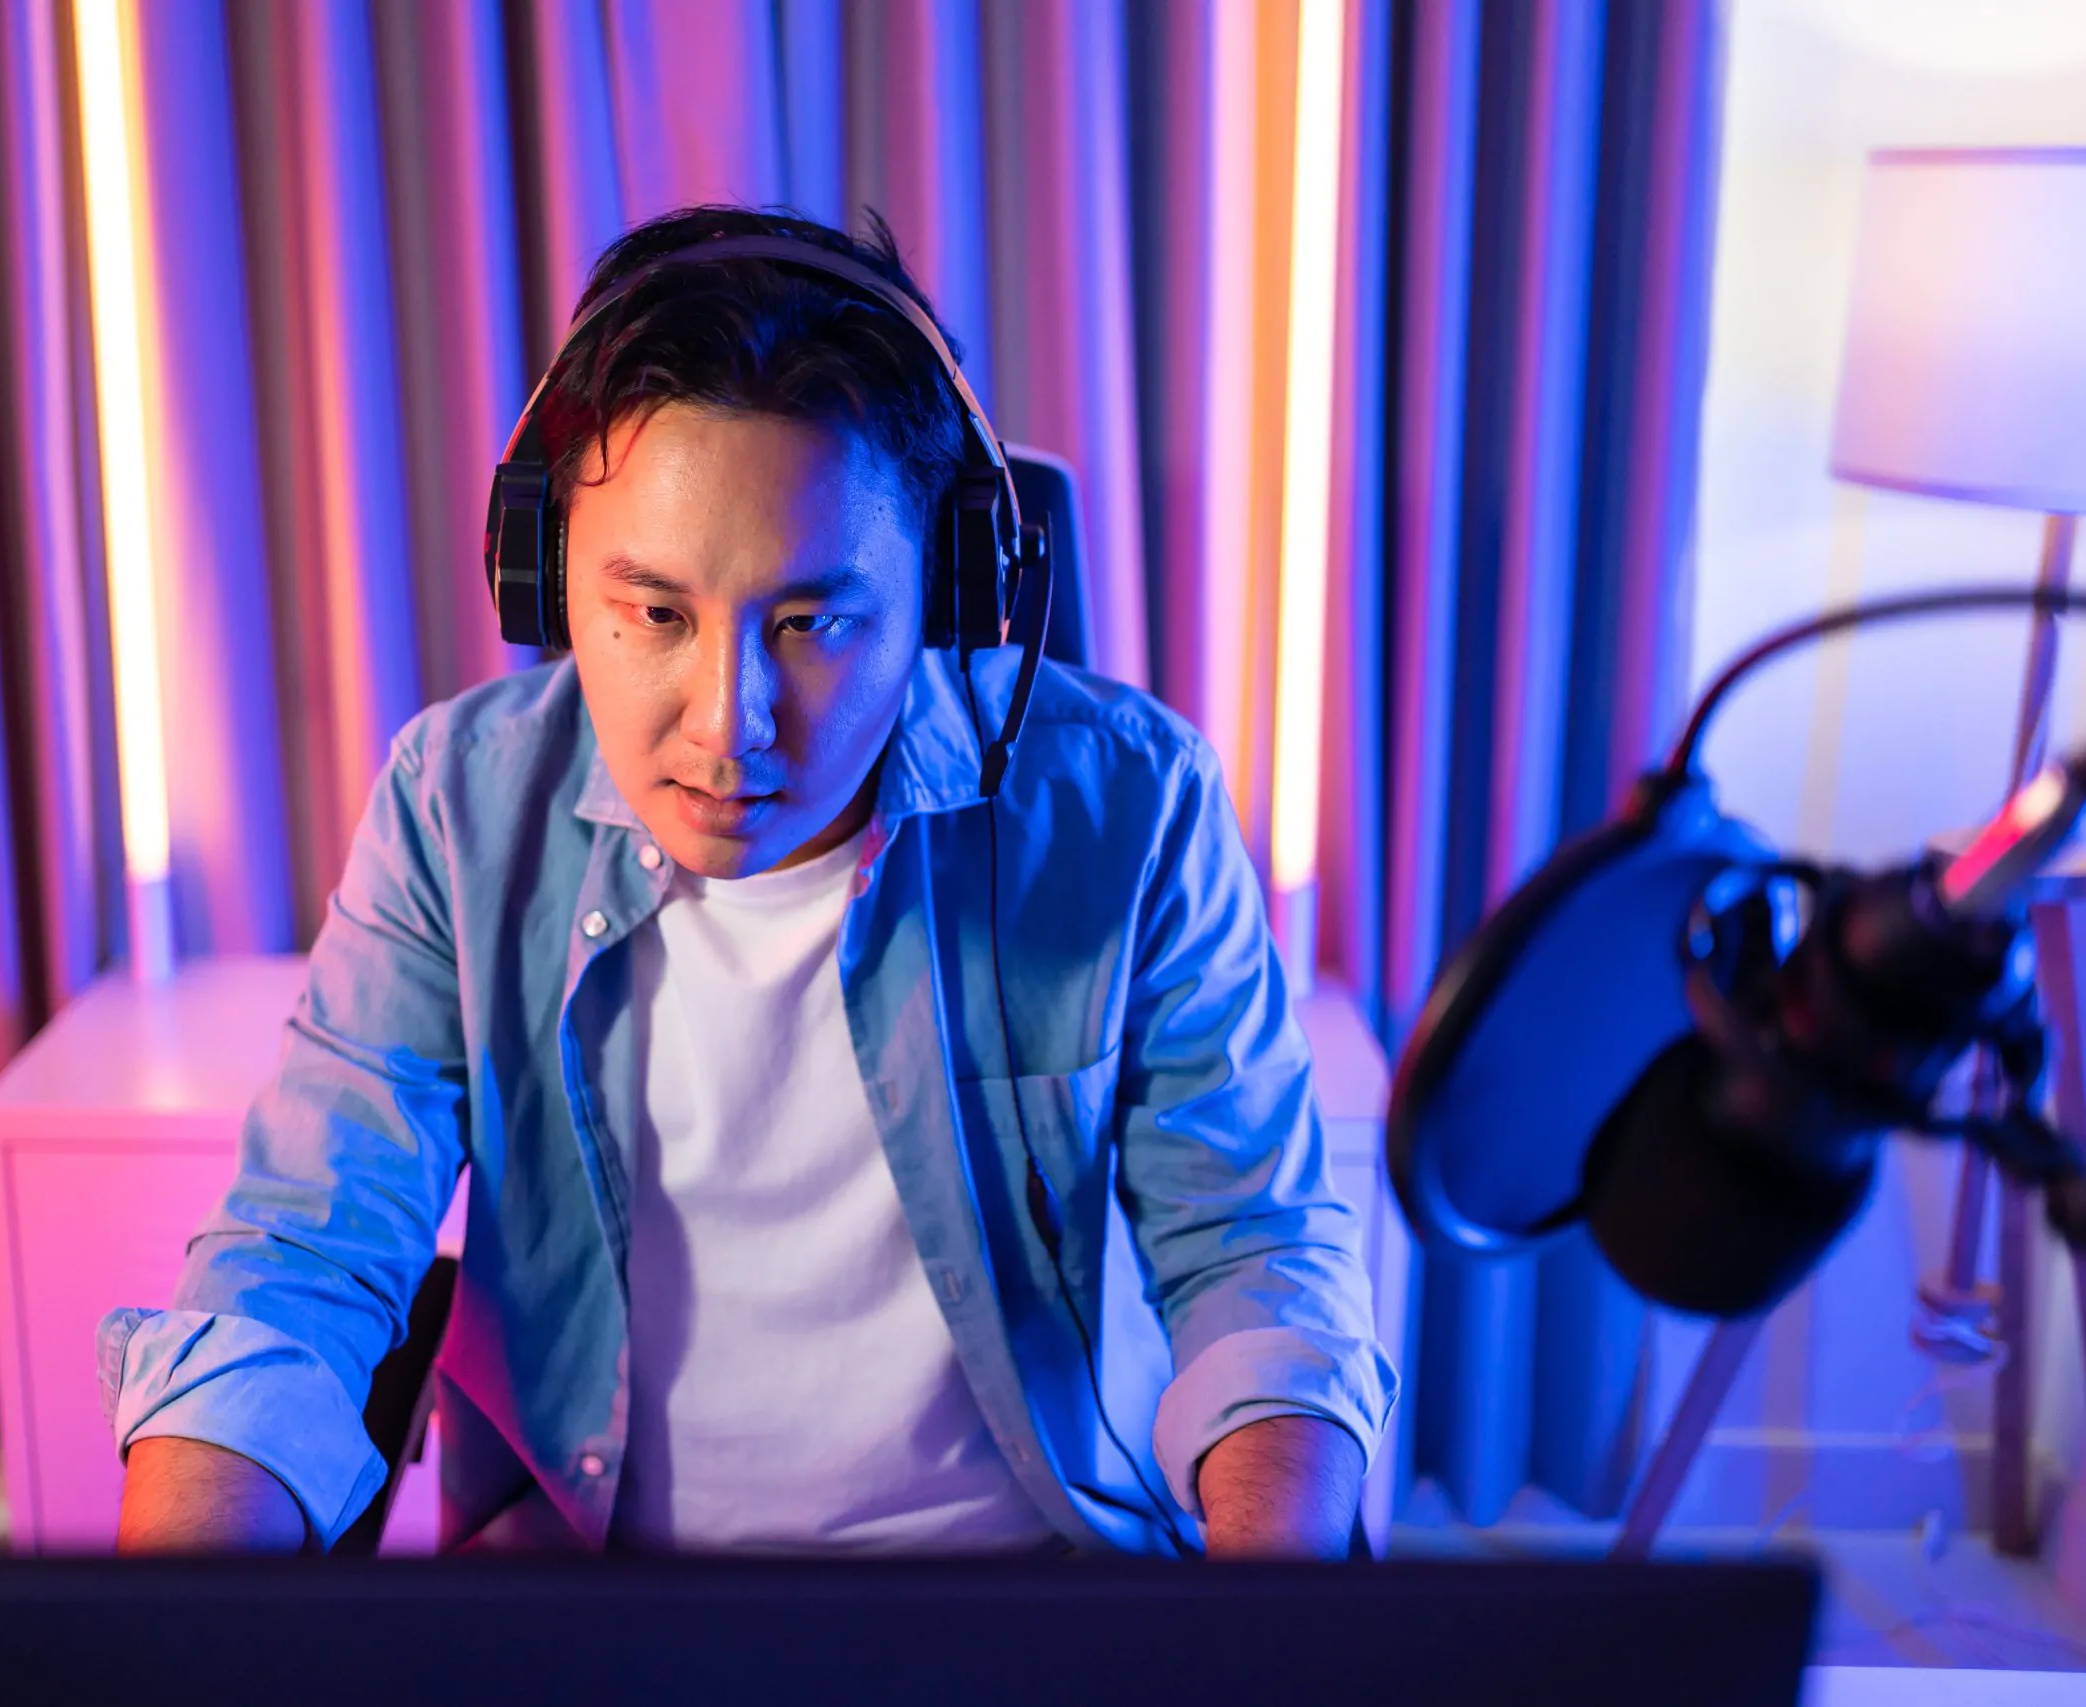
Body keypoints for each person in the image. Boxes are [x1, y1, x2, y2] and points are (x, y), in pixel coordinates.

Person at [101, 204, 1395, 1560]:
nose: (731, 724)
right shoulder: (453, 806)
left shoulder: (1134, 807)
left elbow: (1254, 1259)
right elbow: (301, 1257)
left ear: (948, 591)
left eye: (813, 621)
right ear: (544, 574)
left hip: (1028, 1595)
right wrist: (168, 1639)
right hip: (599, 1596)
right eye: (655, 614)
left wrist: (1264, 1628)